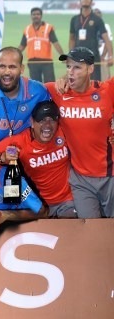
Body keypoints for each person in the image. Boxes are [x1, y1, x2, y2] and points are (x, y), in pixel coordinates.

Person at [47, 46, 114, 218]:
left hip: (110, 175)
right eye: (68, 66)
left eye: (77, 67)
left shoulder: (107, 91)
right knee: (90, 229)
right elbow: (23, 87)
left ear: (90, 69)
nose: (70, 72)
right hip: (80, 180)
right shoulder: (59, 92)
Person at [0, 101, 76, 218]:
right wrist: (2, 158)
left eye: (52, 120)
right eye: (42, 120)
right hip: (39, 206)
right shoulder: (21, 142)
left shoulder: (63, 132)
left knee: (71, 225)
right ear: (32, 122)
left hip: (68, 201)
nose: (47, 125)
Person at [0, 47, 50, 144]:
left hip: (19, 150)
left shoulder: (38, 92)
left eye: (12, 67)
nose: (7, 72)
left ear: (21, 69)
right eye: (2, 66)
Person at [69, 0, 112, 81]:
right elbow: (72, 38)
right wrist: (70, 55)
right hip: (78, 57)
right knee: (78, 82)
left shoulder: (97, 19)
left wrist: (111, 56)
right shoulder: (74, 19)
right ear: (80, 1)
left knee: (94, 83)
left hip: (93, 57)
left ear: (91, 2)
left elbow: (106, 38)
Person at [19, 7, 64, 83]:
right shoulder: (27, 29)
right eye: (33, 14)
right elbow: (22, 46)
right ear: (31, 16)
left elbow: (55, 43)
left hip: (46, 61)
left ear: (41, 16)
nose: (36, 16)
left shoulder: (48, 28)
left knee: (50, 83)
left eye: (38, 14)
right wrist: (13, 56)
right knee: (36, 84)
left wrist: (63, 56)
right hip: (33, 62)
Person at [94, 8, 113, 80]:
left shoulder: (105, 26)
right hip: (93, 57)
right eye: (95, 13)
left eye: (99, 13)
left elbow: (108, 42)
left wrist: (103, 56)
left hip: (103, 59)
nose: (97, 15)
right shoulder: (90, 27)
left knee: (104, 79)